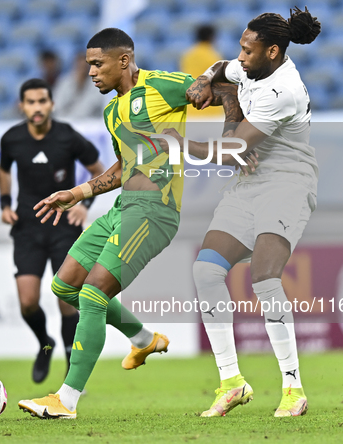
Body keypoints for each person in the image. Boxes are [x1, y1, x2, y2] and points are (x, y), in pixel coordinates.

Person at [17, 27, 250, 420]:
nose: (90, 72)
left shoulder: (161, 86)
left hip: (154, 210)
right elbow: (126, 167)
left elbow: (227, 88)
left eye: (97, 64)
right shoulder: (111, 112)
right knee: (64, 286)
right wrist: (77, 193)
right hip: (122, 208)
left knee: (92, 294)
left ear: (123, 60)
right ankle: (143, 339)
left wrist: (230, 136)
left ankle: (66, 401)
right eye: (88, 64)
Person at [177, 7, 321, 418]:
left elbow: (231, 151)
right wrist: (207, 79)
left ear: (272, 51)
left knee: (264, 275)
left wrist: (179, 142)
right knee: (206, 271)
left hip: (288, 180)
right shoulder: (249, 67)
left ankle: (293, 389)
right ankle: (231, 383)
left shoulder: (284, 90)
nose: (240, 56)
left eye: (248, 50)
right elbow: (223, 68)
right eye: (241, 47)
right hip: (250, 183)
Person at [0, 78, 105, 383]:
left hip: (63, 229)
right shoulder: (12, 139)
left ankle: (72, 360)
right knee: (28, 301)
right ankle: (45, 343)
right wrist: (5, 203)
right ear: (22, 106)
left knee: (66, 297)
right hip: (28, 229)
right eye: (30, 102)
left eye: (42, 101)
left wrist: (84, 203)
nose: (36, 107)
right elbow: (4, 170)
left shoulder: (68, 137)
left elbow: (98, 171)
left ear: (51, 104)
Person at [180, 24, 223, 119]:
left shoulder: (188, 55)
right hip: (211, 110)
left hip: (191, 108)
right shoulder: (212, 56)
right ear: (211, 37)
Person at [53, 52, 105, 120]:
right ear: (75, 66)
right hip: (66, 121)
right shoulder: (64, 82)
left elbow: (98, 106)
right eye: (80, 66)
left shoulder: (97, 84)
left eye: (85, 66)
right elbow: (57, 105)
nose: (82, 69)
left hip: (89, 123)